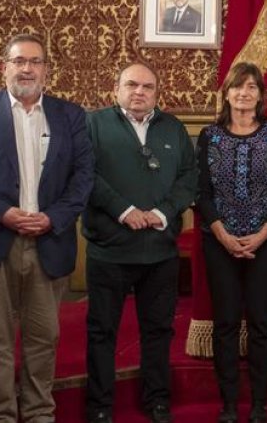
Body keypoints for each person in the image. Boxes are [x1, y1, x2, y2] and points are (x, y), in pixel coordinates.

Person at [0, 33, 94, 423]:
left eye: (35, 61)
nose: (27, 68)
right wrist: (4, 213)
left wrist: (55, 217)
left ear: (46, 69)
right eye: (18, 61)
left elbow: (83, 178)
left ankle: (38, 414)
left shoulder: (71, 115)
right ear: (4, 67)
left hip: (49, 240)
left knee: (43, 339)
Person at [83, 63, 198, 423]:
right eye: (131, 84)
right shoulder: (93, 124)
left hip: (160, 250)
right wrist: (125, 210)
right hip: (110, 250)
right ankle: (100, 406)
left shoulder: (173, 128)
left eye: (147, 86)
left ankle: (157, 401)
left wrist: (163, 213)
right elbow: (84, 173)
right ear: (116, 88)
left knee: (159, 331)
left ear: (157, 92)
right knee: (103, 331)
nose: (139, 91)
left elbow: (189, 177)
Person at [197, 61, 267, 423]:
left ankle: (259, 404)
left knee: (260, 324)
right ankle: (228, 404)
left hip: (264, 242)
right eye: (238, 86)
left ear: (261, 95)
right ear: (227, 92)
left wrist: (262, 233)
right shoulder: (209, 136)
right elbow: (201, 192)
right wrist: (222, 233)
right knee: (224, 323)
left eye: (252, 87)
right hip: (218, 242)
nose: (244, 93)